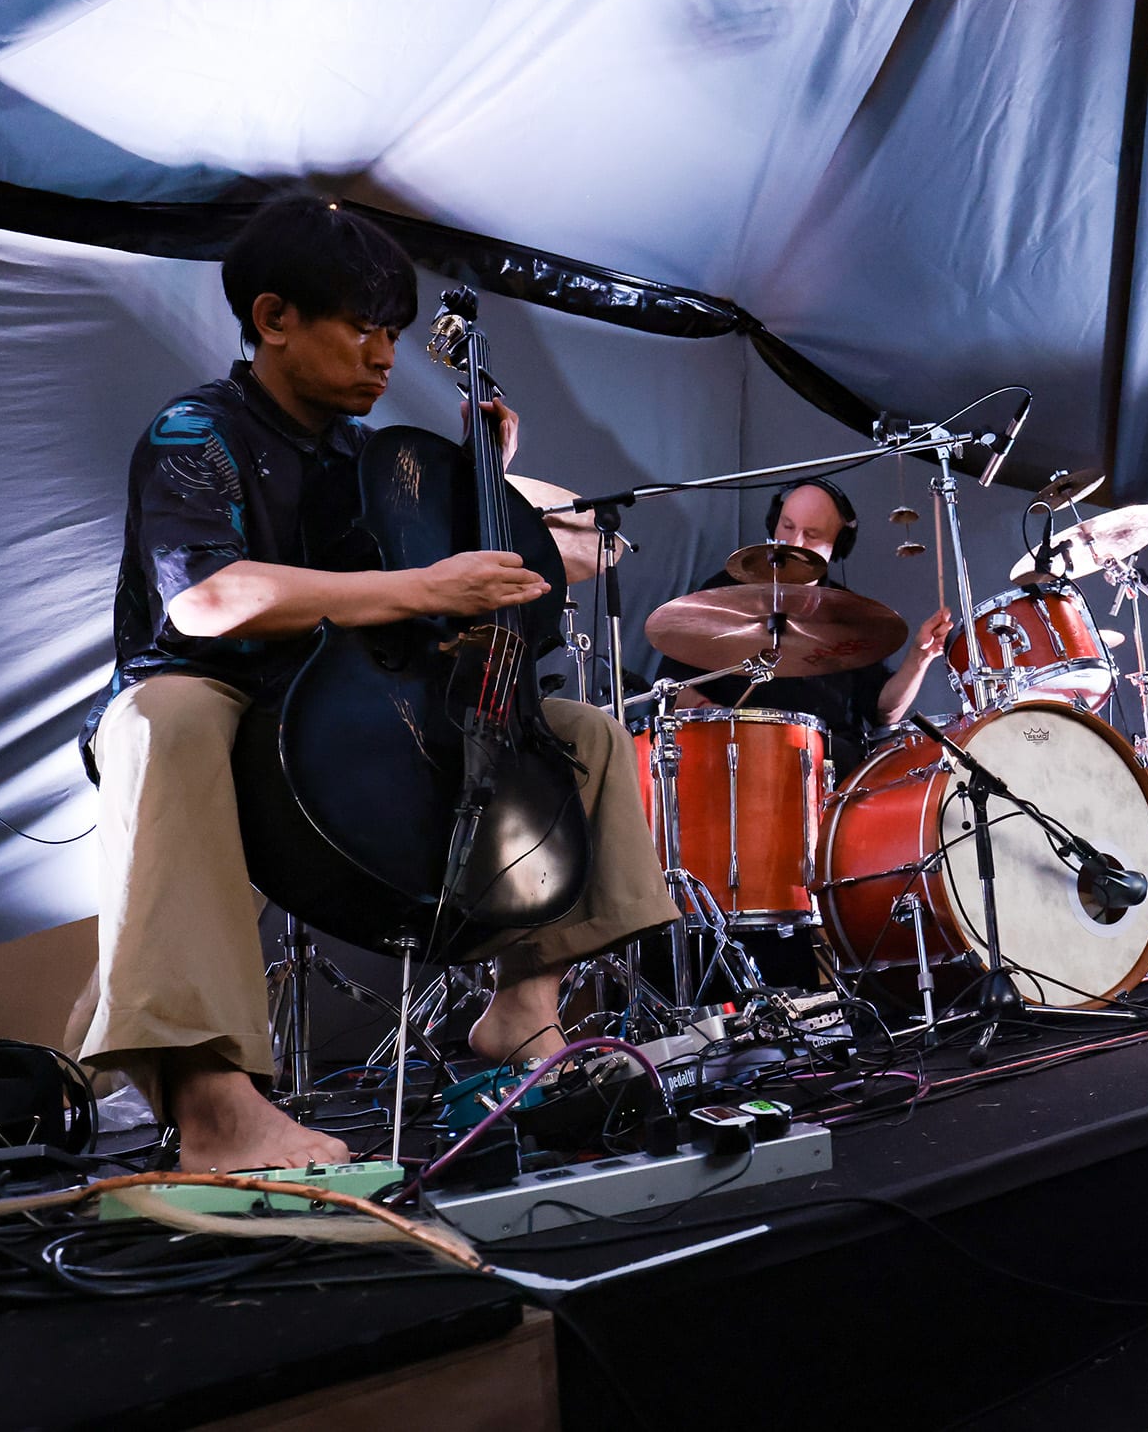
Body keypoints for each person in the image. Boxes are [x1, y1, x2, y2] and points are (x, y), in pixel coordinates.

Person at [77, 196, 676, 1173]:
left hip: (345, 704)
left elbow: (427, 588)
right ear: (275, 318)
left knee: (582, 735)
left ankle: (523, 1015)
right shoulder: (197, 430)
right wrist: (422, 585)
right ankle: (213, 1104)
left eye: (393, 334)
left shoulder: (369, 458)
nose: (384, 356)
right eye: (362, 327)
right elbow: (208, 601)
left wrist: (481, 480)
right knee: (166, 716)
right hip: (225, 699)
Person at [660, 479, 954, 777]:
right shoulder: (721, 596)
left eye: (812, 535)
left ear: (838, 545)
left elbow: (884, 712)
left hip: (828, 772)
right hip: (735, 762)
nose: (795, 544)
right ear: (773, 522)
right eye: (787, 527)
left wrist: (919, 657)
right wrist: (716, 717)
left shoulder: (851, 616)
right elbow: (670, 688)